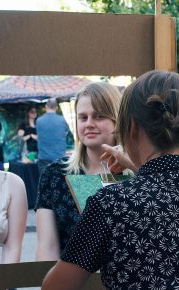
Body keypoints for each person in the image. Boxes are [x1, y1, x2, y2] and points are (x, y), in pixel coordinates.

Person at [41, 70, 179, 290]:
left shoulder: (110, 204)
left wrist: (137, 165)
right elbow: (165, 183)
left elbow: (54, 287)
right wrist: (137, 166)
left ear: (131, 127)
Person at [35, 82, 121, 261]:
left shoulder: (138, 174)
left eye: (98, 116)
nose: (89, 124)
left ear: (117, 119)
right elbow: (47, 248)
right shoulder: (54, 174)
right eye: (83, 117)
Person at [35, 98, 69, 174]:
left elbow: (38, 136)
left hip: (44, 157)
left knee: (45, 184)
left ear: (46, 106)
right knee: (59, 184)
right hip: (60, 157)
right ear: (56, 108)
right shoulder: (62, 120)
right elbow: (66, 133)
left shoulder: (39, 120)